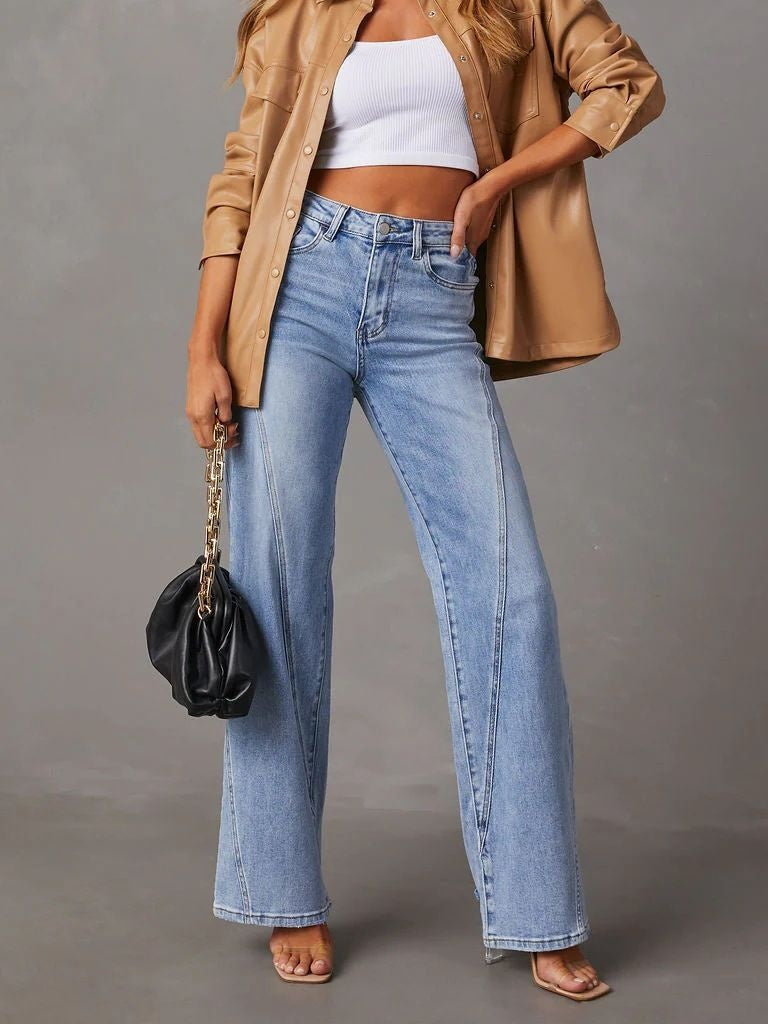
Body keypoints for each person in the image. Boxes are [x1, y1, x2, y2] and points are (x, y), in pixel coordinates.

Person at [185, 0, 665, 1000]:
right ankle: (283, 889)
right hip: (298, 286)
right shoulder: (304, 10)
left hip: (432, 291)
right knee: (279, 587)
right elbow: (241, 178)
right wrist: (204, 349)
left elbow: (628, 83)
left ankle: (538, 905)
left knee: (512, 596)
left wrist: (499, 184)